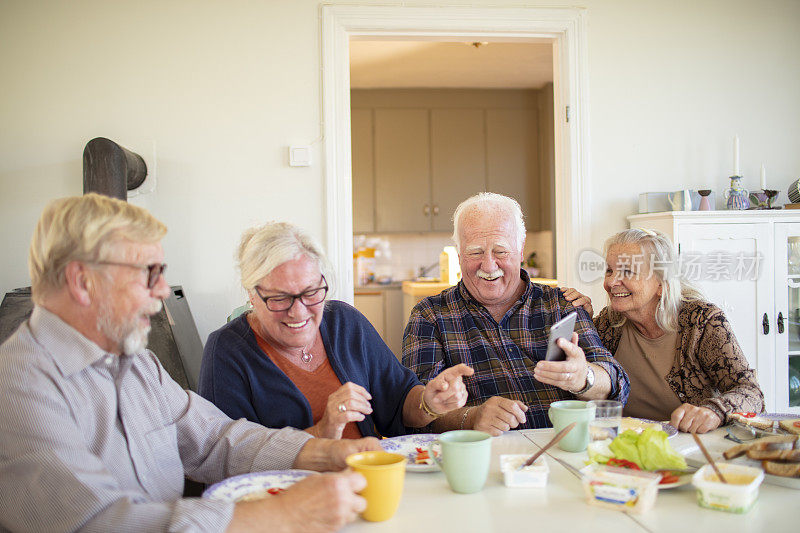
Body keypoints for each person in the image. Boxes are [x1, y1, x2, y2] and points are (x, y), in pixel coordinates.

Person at [0, 193, 383, 533]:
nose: (164, 291)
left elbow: (216, 440)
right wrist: (280, 516)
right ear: (83, 282)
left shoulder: (136, 365)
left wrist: (328, 452)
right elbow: (96, 522)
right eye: (148, 273)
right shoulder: (18, 384)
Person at [198, 221, 472, 439]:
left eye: (311, 292)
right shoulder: (226, 351)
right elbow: (230, 462)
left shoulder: (344, 322)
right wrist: (323, 431)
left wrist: (429, 402)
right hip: (293, 500)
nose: (299, 311)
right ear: (251, 294)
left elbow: (400, 401)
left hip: (369, 481)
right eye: (280, 297)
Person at [402, 192, 630, 436]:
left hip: (563, 451)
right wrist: (472, 417)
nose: (489, 266)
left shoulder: (561, 305)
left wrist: (583, 377)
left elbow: (617, 384)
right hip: (485, 458)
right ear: (459, 255)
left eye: (501, 251)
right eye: (475, 252)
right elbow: (418, 414)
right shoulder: (430, 315)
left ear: (521, 251)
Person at [563, 228, 764, 434]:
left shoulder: (702, 322)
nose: (611, 282)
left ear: (661, 284)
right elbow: (575, 372)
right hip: (624, 446)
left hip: (689, 445)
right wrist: (581, 319)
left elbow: (752, 393)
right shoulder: (609, 323)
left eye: (627, 271)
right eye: (609, 270)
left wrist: (715, 411)